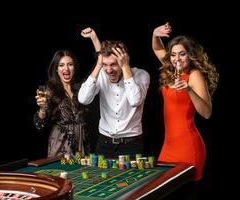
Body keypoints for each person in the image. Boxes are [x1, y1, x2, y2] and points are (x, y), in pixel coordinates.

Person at [152, 23, 219, 199]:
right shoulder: (172, 69)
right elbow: (157, 47)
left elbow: (207, 113)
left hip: (188, 149)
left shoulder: (194, 75)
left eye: (182, 54)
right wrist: (155, 33)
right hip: (168, 148)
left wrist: (189, 90)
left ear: (190, 55)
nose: (177, 59)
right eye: (173, 54)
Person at [79, 27, 150, 158]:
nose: (109, 70)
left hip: (131, 144)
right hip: (104, 143)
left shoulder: (141, 75)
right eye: (105, 64)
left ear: (124, 59)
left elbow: (134, 101)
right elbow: (83, 99)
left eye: (113, 64)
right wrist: (98, 66)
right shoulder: (101, 73)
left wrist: (125, 67)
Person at [33, 50, 88, 158]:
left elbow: (98, 69)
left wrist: (94, 39)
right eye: (61, 65)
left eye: (70, 65)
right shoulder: (50, 90)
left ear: (74, 68)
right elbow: (39, 124)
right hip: (60, 148)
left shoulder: (82, 88)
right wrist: (42, 109)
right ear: (56, 70)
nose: (66, 69)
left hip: (82, 146)